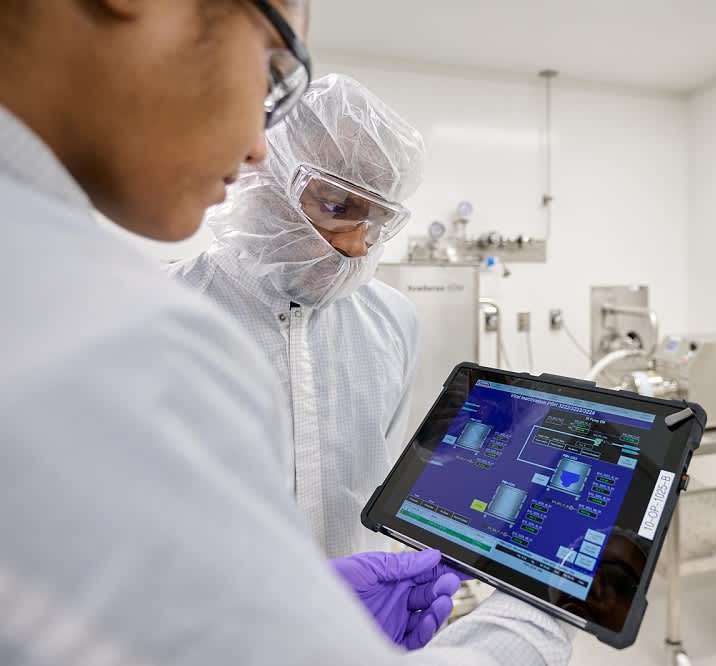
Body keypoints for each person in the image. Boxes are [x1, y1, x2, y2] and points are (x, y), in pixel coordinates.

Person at [0, 1, 574, 664]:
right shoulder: (144, 329)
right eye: (272, 69)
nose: (253, 143)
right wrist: (539, 611)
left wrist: (301, 613)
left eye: (377, 221)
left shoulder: (391, 322)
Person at [170, 73, 421, 559]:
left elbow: (382, 485)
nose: (355, 245)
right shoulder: (168, 318)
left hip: (360, 622)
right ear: (264, 178)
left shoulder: (394, 322)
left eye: (375, 221)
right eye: (336, 206)